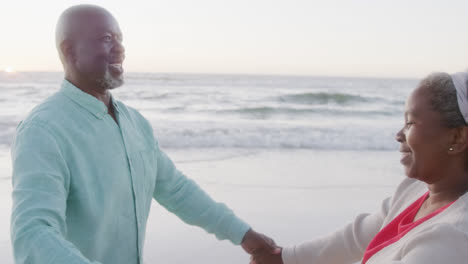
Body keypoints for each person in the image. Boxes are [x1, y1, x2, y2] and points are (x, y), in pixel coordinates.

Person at [10, 5, 280, 264]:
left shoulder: (134, 123)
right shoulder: (43, 130)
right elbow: (33, 233)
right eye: (106, 39)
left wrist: (243, 234)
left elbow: (175, 189)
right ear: (70, 50)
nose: (120, 49)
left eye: (120, 39)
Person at [252, 72, 468, 264]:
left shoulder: (453, 238)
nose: (399, 134)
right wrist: (284, 258)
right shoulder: (415, 190)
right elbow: (356, 237)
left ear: (457, 138)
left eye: (410, 123)